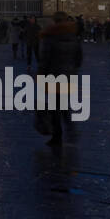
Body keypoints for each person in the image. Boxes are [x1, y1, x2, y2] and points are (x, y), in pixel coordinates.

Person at [36, 11, 83, 146]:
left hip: (53, 76)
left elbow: (44, 59)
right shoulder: (74, 37)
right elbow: (79, 59)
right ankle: (70, 130)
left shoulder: (50, 37)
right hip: (68, 77)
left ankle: (58, 136)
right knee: (62, 104)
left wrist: (40, 75)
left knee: (54, 106)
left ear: (54, 21)